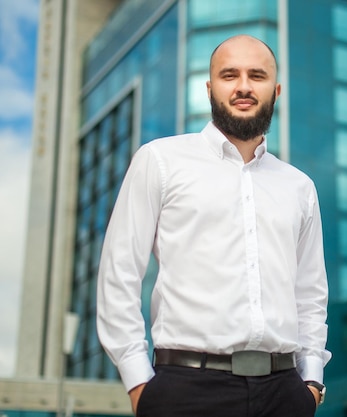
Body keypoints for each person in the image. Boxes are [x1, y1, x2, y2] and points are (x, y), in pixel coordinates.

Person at [96, 34, 331, 417]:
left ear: (276, 89)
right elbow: (118, 274)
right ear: (209, 88)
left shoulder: (299, 187)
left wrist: (311, 383)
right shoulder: (160, 161)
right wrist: (139, 382)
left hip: (284, 393)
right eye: (229, 75)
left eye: (256, 75)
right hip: (185, 391)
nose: (242, 86)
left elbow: (310, 294)